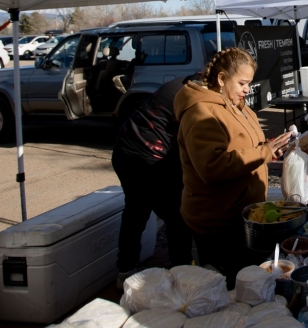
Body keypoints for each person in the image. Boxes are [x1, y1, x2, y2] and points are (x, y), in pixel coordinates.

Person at [174, 48, 292, 285]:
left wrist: (269, 149)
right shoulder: (200, 113)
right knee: (227, 286)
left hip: (241, 214)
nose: (247, 90)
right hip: (218, 222)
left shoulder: (236, 105)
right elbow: (212, 167)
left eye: (249, 83)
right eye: (242, 83)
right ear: (221, 79)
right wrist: (263, 152)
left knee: (246, 279)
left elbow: (247, 145)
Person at [112, 77, 194, 283]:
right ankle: (181, 276)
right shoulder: (194, 98)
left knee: (135, 211)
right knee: (176, 215)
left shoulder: (185, 84)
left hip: (126, 150)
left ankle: (125, 270)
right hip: (146, 158)